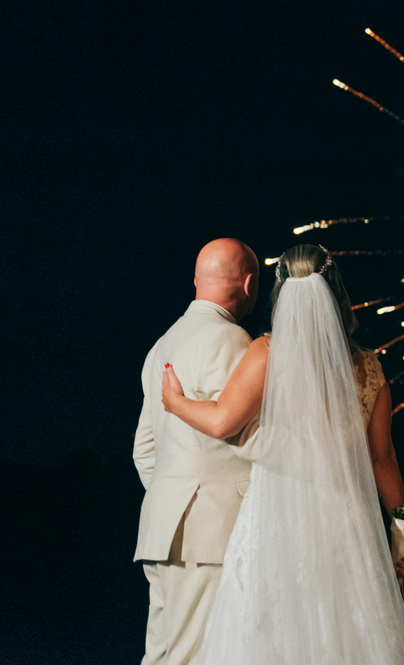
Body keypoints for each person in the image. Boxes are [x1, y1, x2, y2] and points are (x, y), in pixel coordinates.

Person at [160, 244, 404, 664]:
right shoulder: (369, 367)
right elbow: (382, 459)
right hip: (347, 523)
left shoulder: (267, 352)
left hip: (277, 518)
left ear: (280, 291)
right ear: (337, 293)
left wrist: (176, 403)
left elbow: (222, 421)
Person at [132, 238, 260, 665]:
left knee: (162, 656)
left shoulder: (160, 345)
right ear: (247, 284)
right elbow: (243, 434)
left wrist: (173, 495)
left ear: (196, 281)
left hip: (162, 528)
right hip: (207, 533)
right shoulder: (231, 339)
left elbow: (144, 450)